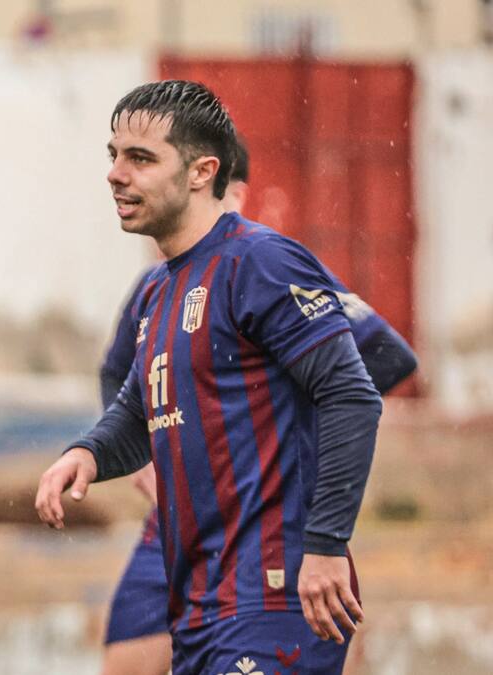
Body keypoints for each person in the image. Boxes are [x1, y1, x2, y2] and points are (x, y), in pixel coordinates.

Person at [36, 80, 386, 675]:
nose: (116, 174)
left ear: (202, 172)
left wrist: (326, 544)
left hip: (274, 595)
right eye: (113, 156)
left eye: (141, 158)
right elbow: (140, 411)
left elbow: (352, 394)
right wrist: (88, 453)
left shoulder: (260, 262)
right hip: (199, 605)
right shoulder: (159, 289)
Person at [98, 139, 418, 675]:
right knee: (127, 661)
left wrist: (286, 422)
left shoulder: (268, 268)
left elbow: (383, 359)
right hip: (180, 526)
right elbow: (118, 376)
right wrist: (142, 457)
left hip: (264, 527)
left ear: (226, 190)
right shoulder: (155, 287)